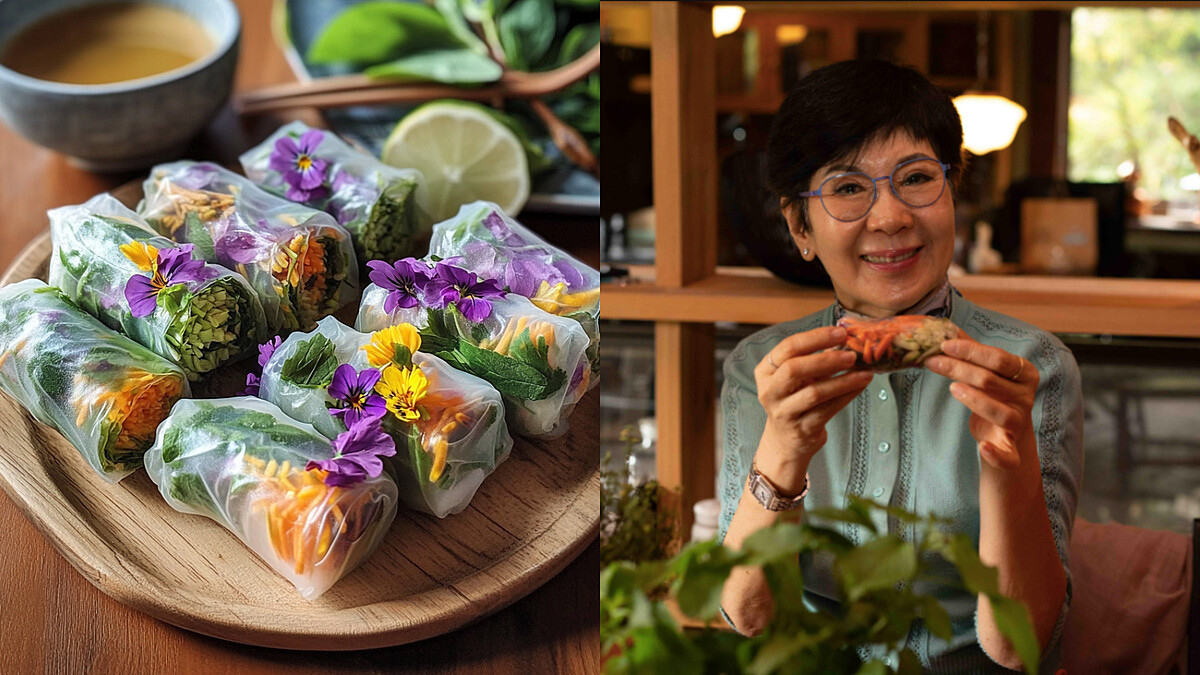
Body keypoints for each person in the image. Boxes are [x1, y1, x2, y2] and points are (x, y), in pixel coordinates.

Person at [716, 59, 1081, 674]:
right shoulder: (763, 370)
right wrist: (783, 448)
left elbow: (1022, 646)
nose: (889, 218)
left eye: (916, 178)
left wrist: (1006, 463)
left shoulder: (1031, 367)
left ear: (953, 190)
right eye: (848, 187)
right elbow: (751, 617)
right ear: (800, 226)